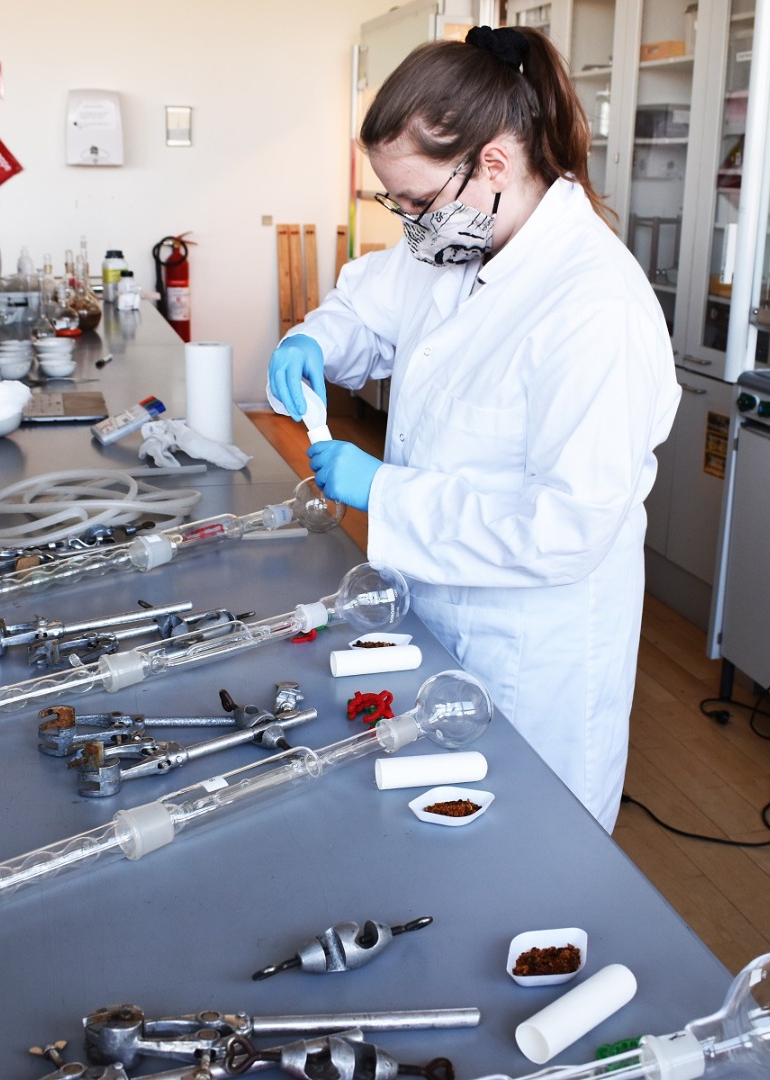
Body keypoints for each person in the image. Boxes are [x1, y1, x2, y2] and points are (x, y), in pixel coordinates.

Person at [267, 24, 679, 831]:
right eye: (398, 203)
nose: (409, 224)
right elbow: (366, 306)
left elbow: (565, 530)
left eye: (417, 201)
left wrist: (387, 491)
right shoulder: (456, 237)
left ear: (493, 162)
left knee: (523, 856)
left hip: (530, 656)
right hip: (438, 615)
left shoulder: (596, 307)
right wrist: (312, 339)